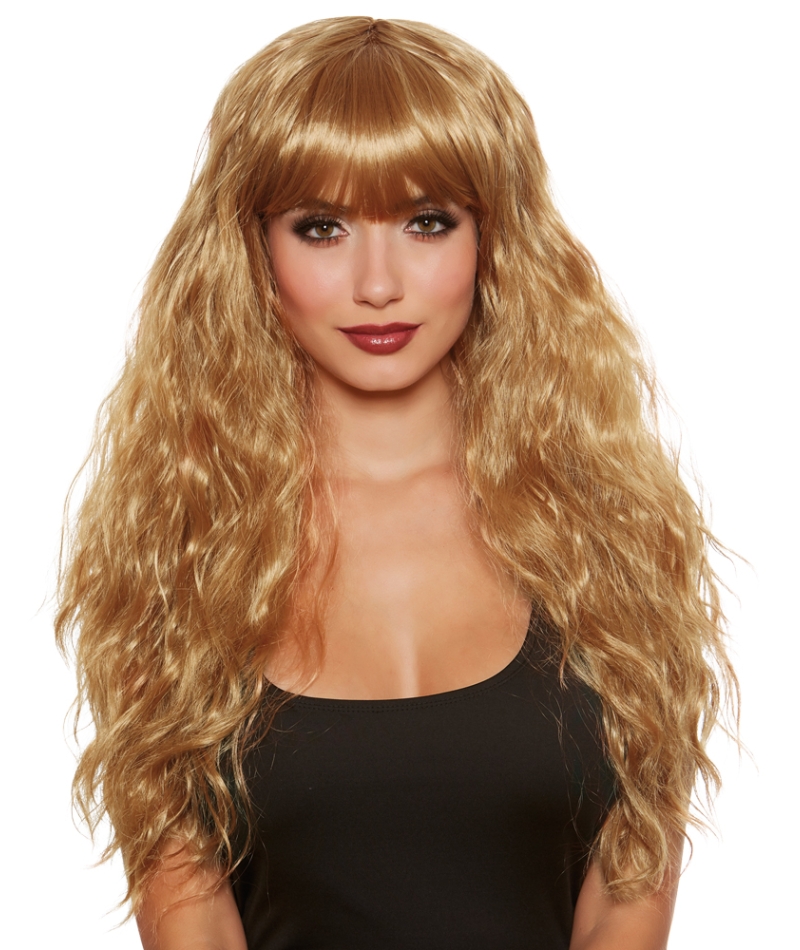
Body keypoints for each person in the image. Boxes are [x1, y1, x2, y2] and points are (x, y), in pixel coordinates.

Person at [56, 16, 737, 950]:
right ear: (252, 249)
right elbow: (193, 923)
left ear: (494, 237)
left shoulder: (611, 529)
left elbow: (629, 895)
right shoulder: (180, 546)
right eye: (322, 228)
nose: (378, 284)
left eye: (426, 221)